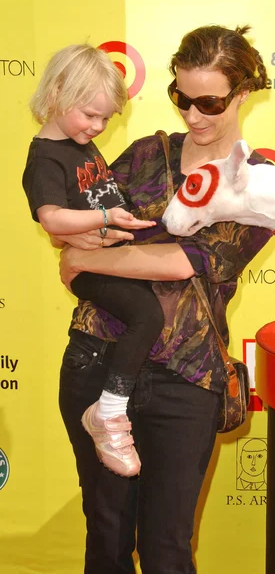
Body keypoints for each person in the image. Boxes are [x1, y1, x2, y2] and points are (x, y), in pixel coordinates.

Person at [56, 24, 273, 574]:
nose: (194, 116)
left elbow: (189, 262)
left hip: (188, 378)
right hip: (99, 359)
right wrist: (82, 249)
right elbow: (72, 234)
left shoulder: (261, 182)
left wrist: (88, 258)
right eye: (182, 98)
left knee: (167, 549)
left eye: (210, 102)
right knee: (105, 537)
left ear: (242, 94)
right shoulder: (147, 154)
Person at [22, 44, 165, 478]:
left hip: (110, 251)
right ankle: (109, 411)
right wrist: (103, 218)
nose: (98, 127)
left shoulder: (80, 143)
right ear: (58, 92)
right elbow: (51, 217)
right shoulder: (46, 155)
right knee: (146, 315)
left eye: (106, 119)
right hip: (91, 267)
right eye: (90, 115)